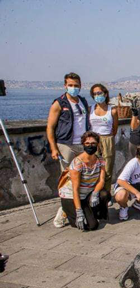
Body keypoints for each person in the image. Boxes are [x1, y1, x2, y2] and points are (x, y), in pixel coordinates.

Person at [47, 72, 91, 228]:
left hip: (82, 145)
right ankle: (63, 211)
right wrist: (54, 148)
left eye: (76, 85)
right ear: (65, 85)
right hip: (66, 145)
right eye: (71, 85)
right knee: (69, 180)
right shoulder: (59, 103)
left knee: (84, 178)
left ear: (80, 86)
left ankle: (76, 209)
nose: (74, 88)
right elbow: (50, 127)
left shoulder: (83, 102)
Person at [58, 131, 109, 230]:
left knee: (104, 194)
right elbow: (75, 190)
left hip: (87, 193)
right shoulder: (78, 163)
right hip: (71, 196)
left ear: (97, 144)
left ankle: (91, 212)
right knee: (90, 226)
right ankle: (65, 211)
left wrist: (95, 193)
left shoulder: (100, 160)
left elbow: (101, 180)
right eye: (87, 143)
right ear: (83, 144)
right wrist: (79, 212)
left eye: (93, 143)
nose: (90, 146)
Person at [89, 84, 118, 192]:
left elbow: (114, 128)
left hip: (107, 139)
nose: (97, 95)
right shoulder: (90, 109)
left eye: (99, 93)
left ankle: (106, 193)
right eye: (95, 93)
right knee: (93, 168)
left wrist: (108, 139)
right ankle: (95, 192)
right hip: (93, 140)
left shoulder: (112, 110)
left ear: (105, 94)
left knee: (107, 169)